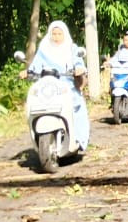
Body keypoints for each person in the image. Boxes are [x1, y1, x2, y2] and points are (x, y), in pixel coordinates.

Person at [27, 20, 90, 150]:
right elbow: (35, 66)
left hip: (66, 86)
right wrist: (27, 72)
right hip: (46, 86)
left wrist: (79, 68)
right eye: (54, 34)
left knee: (76, 105)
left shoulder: (72, 48)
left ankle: (78, 138)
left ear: (64, 34)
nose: (56, 37)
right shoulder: (44, 49)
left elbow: (78, 62)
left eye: (59, 34)